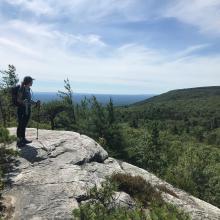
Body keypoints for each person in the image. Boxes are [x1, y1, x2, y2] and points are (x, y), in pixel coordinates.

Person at [16, 76, 40, 148]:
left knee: (24, 125)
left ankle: (23, 139)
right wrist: (23, 102)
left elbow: (29, 100)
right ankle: (19, 141)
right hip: (21, 110)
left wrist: (35, 103)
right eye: (31, 81)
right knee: (21, 124)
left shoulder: (28, 89)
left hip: (27, 109)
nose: (32, 82)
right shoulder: (21, 89)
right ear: (28, 82)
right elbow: (18, 100)